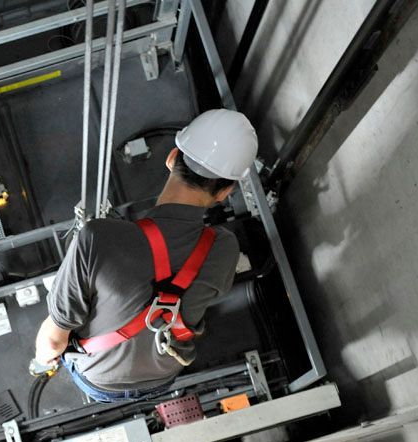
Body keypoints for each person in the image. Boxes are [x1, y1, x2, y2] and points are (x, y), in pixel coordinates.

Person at [31, 109, 258, 403]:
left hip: (99, 379)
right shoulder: (224, 248)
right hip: (165, 372)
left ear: (172, 157)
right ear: (225, 192)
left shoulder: (97, 237)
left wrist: (42, 358)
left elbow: (52, 342)